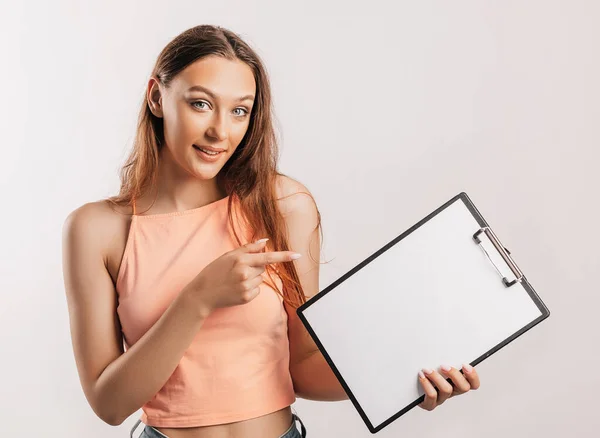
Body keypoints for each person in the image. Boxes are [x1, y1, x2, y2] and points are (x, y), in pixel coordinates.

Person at [61, 24, 481, 438]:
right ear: (157, 97)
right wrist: (198, 299)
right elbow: (110, 404)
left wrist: (406, 381)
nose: (220, 131)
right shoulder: (97, 230)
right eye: (201, 104)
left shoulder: (283, 206)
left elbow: (301, 368)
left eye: (240, 110)